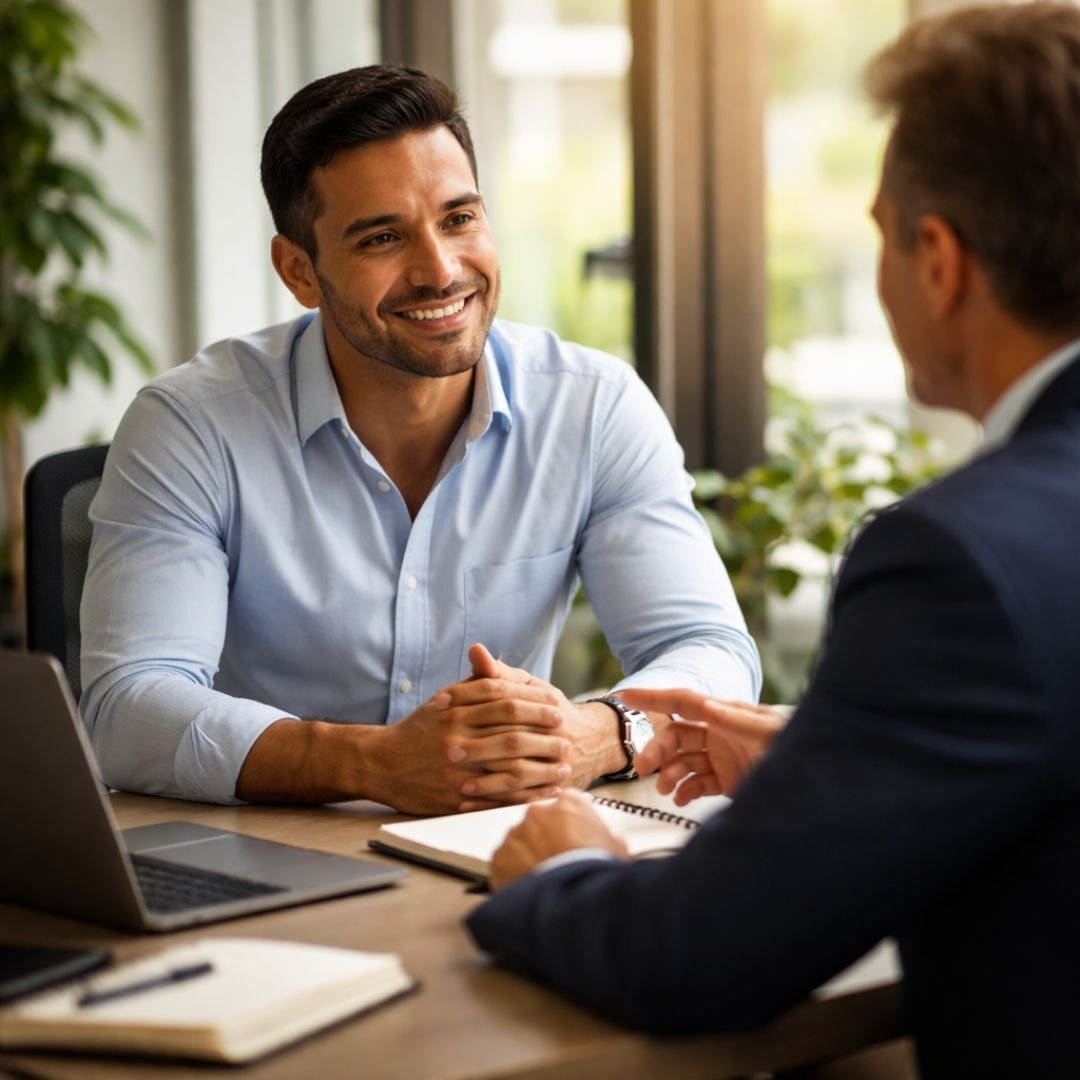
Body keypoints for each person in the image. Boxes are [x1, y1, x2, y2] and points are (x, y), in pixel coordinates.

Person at [465, 5, 1080, 1076]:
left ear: (937, 263)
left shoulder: (960, 562)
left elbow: (696, 958)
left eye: (881, 232)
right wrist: (834, 760)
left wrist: (567, 866)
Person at [78, 65, 760, 815]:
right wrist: (370, 763)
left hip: (494, 837)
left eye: (459, 219)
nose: (440, 272)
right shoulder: (191, 425)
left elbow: (710, 649)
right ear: (299, 271)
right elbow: (128, 709)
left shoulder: (592, 407)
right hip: (267, 849)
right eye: (381, 238)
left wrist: (594, 736)